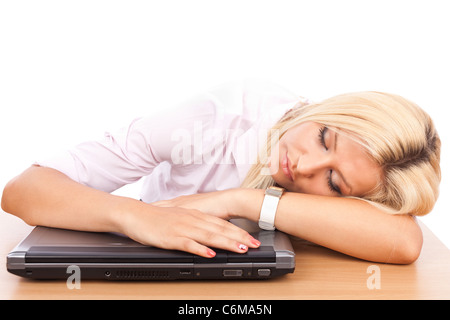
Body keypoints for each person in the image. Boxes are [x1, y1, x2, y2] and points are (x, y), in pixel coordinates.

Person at [1, 80, 441, 264]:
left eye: (333, 182)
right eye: (325, 138)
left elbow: (403, 241)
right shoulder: (213, 120)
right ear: (331, 108)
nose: (303, 164)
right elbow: (23, 190)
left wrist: (241, 200)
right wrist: (134, 214)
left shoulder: (359, 196)